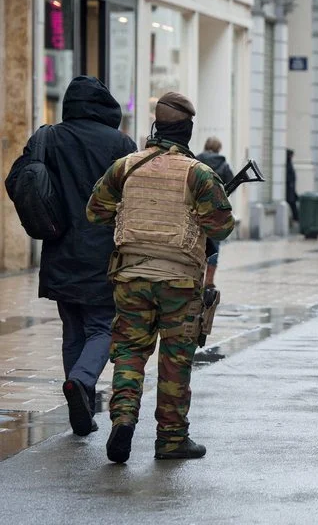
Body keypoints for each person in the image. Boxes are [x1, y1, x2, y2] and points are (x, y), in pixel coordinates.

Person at [86, 92, 235, 463]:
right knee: (175, 358)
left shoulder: (126, 167)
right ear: (187, 128)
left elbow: (95, 212)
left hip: (131, 275)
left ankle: (122, 418)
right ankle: (171, 439)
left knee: (129, 352)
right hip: (180, 281)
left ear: (156, 125)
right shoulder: (198, 173)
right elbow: (222, 225)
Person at [5, 76, 136, 437]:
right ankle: (81, 381)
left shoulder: (48, 137)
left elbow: (16, 180)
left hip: (59, 247)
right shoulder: (120, 143)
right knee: (102, 327)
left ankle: (79, 409)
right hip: (104, 252)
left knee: (73, 330)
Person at [196, 137, 234, 286]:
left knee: (197, 243)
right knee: (214, 244)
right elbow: (231, 184)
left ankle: (197, 277)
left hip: (196, 209)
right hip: (216, 211)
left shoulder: (196, 161)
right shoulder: (223, 165)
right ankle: (209, 280)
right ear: (219, 148)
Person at [285, 148, 298, 223]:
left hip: (291, 188)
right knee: (292, 203)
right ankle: (295, 218)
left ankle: (295, 218)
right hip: (289, 188)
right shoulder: (287, 163)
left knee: (293, 204)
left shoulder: (289, 162)